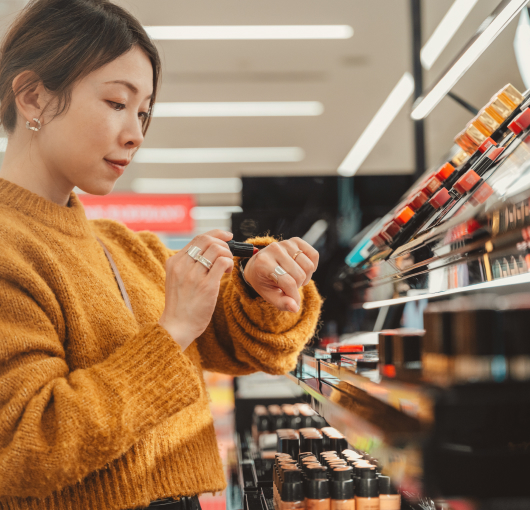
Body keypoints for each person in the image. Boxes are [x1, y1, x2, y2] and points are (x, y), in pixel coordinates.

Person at [0, 1, 323, 509]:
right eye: (116, 103)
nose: (136, 134)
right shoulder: (7, 249)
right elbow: (25, 444)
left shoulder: (130, 249)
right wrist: (171, 332)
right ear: (34, 96)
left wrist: (260, 288)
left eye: (144, 111)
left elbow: (254, 349)